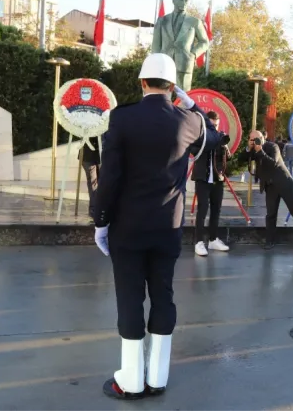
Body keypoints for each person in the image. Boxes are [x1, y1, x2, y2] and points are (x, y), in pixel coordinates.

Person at [92, 53, 222, 400]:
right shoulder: (190, 121)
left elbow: (110, 176)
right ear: (172, 85)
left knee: (130, 297)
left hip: (128, 227)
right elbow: (216, 135)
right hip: (168, 227)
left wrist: (100, 220)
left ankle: (131, 379)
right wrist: (189, 100)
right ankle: (158, 377)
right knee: (163, 295)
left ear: (141, 82)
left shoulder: (123, 118)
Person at [238, 131, 293, 250]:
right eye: (252, 139)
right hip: (270, 186)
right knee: (270, 214)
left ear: (263, 138)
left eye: (258, 139)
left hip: (284, 183)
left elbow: (273, 163)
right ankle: (270, 241)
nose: (256, 142)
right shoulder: (252, 150)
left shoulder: (272, 147)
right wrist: (248, 148)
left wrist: (260, 151)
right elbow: (241, 159)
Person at [191, 111, 232, 257]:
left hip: (217, 179)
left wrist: (224, 147)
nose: (214, 128)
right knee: (202, 211)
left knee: (216, 210)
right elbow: (193, 151)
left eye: (216, 125)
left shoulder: (219, 137)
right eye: (211, 125)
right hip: (202, 178)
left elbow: (228, 160)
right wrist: (208, 142)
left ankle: (213, 239)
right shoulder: (199, 137)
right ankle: (198, 242)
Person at [78, 137, 101, 218]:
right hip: (90, 157)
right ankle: (93, 210)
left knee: (93, 182)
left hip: (88, 156)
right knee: (94, 183)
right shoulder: (94, 126)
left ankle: (94, 209)